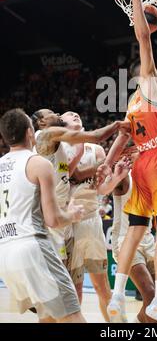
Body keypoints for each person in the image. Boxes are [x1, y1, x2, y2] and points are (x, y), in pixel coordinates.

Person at [102, 0, 157, 323]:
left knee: (135, 230)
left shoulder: (133, 105)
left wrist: (107, 164)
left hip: (141, 167)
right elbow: (144, 40)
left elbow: (122, 137)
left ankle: (117, 295)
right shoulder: (152, 88)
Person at [0, 109, 85, 323]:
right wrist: (72, 215)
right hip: (34, 242)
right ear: (31, 132)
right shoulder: (38, 158)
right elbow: (53, 219)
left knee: (47, 315)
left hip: (6, 251)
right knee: (72, 314)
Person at [31, 108, 127, 264]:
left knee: (61, 267)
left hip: (65, 213)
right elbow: (96, 137)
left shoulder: (60, 144)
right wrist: (117, 125)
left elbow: (76, 174)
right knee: (53, 269)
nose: (56, 113)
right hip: (49, 212)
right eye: (51, 112)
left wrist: (115, 155)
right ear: (42, 122)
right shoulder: (47, 135)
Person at [60, 111, 129, 322]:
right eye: (70, 115)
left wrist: (116, 178)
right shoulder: (59, 148)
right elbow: (75, 175)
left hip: (91, 221)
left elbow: (101, 188)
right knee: (75, 290)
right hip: (68, 225)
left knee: (102, 287)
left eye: (77, 114)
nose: (75, 114)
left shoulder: (96, 149)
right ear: (60, 124)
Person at [98, 171, 157, 323]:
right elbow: (103, 187)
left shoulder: (153, 175)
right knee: (150, 294)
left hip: (148, 238)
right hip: (126, 239)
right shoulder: (124, 175)